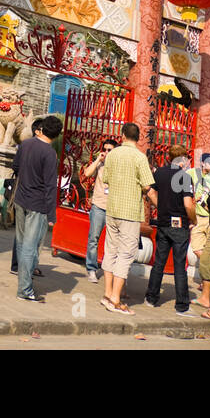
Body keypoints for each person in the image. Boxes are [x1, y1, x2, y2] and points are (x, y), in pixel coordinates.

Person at [98, 122, 154, 316]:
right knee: (126, 254)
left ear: (122, 135)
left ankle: (107, 294)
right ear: (138, 138)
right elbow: (147, 185)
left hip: (112, 208)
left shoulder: (112, 154)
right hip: (130, 211)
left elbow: (106, 179)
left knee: (110, 250)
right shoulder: (140, 157)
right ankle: (115, 298)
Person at [11, 114, 62, 303]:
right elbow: (50, 186)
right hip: (37, 204)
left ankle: (24, 283)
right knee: (30, 248)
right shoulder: (49, 154)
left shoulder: (25, 144)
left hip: (21, 199)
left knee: (21, 243)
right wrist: (52, 213)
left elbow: (15, 166)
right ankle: (24, 288)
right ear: (56, 135)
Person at [145, 143, 195, 313]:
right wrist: (193, 219)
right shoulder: (185, 177)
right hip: (180, 224)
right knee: (179, 265)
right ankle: (181, 304)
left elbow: (150, 192)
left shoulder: (159, 173)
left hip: (163, 221)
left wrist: (162, 207)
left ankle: (151, 297)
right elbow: (188, 204)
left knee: (159, 261)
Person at [186, 153, 210, 315]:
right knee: (197, 248)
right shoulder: (191, 174)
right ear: (202, 163)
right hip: (197, 216)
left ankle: (208, 279)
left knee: (209, 253)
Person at [83, 137, 118, 283]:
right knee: (93, 238)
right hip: (98, 205)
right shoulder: (100, 163)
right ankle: (91, 268)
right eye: (104, 149)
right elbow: (87, 173)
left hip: (113, 208)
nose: (106, 152)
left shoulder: (118, 165)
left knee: (113, 242)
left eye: (109, 150)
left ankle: (110, 269)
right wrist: (98, 160)